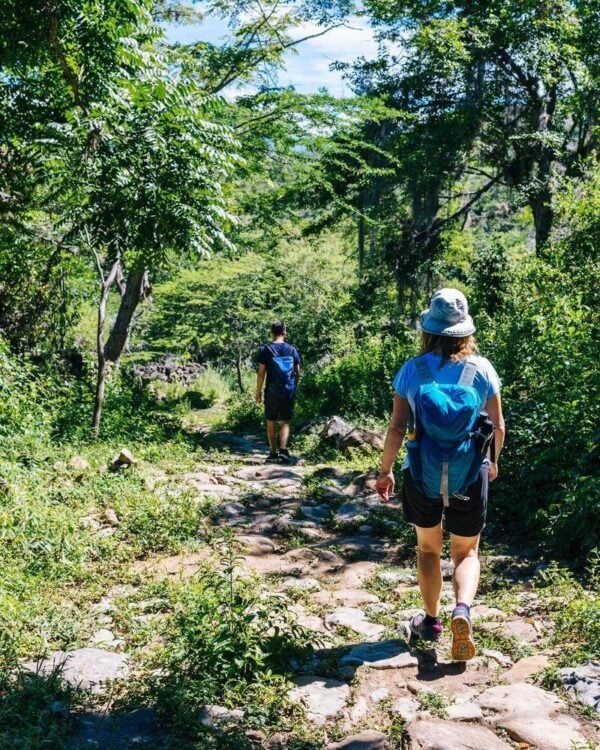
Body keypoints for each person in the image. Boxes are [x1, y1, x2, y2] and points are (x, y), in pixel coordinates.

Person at [376, 288, 505, 661]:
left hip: (422, 471)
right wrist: (492, 461)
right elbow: (497, 425)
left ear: (429, 328)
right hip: (469, 470)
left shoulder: (411, 370)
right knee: (467, 551)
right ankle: (461, 611)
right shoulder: (482, 369)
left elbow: (398, 428)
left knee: (428, 549)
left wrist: (385, 472)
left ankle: (431, 621)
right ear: (465, 330)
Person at [255, 321, 301, 463]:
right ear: (284, 332)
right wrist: (293, 386)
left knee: (271, 420)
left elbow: (261, 373)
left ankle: (273, 453)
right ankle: (283, 450)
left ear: (272, 333)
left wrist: (258, 392)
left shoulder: (266, 350)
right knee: (285, 421)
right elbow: (297, 372)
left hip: (272, 390)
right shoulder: (291, 349)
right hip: (288, 389)